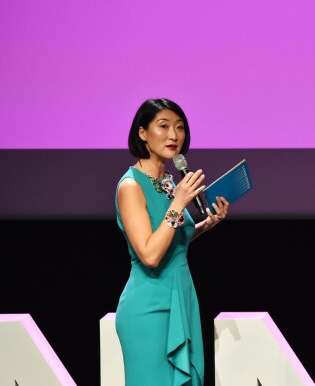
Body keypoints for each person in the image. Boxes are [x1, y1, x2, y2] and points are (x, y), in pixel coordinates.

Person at [114, 98, 229, 386]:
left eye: (179, 127)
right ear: (143, 133)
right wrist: (178, 202)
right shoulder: (130, 186)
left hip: (182, 298)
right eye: (163, 126)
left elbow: (172, 239)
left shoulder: (168, 181)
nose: (173, 135)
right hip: (149, 307)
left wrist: (204, 225)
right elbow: (150, 254)